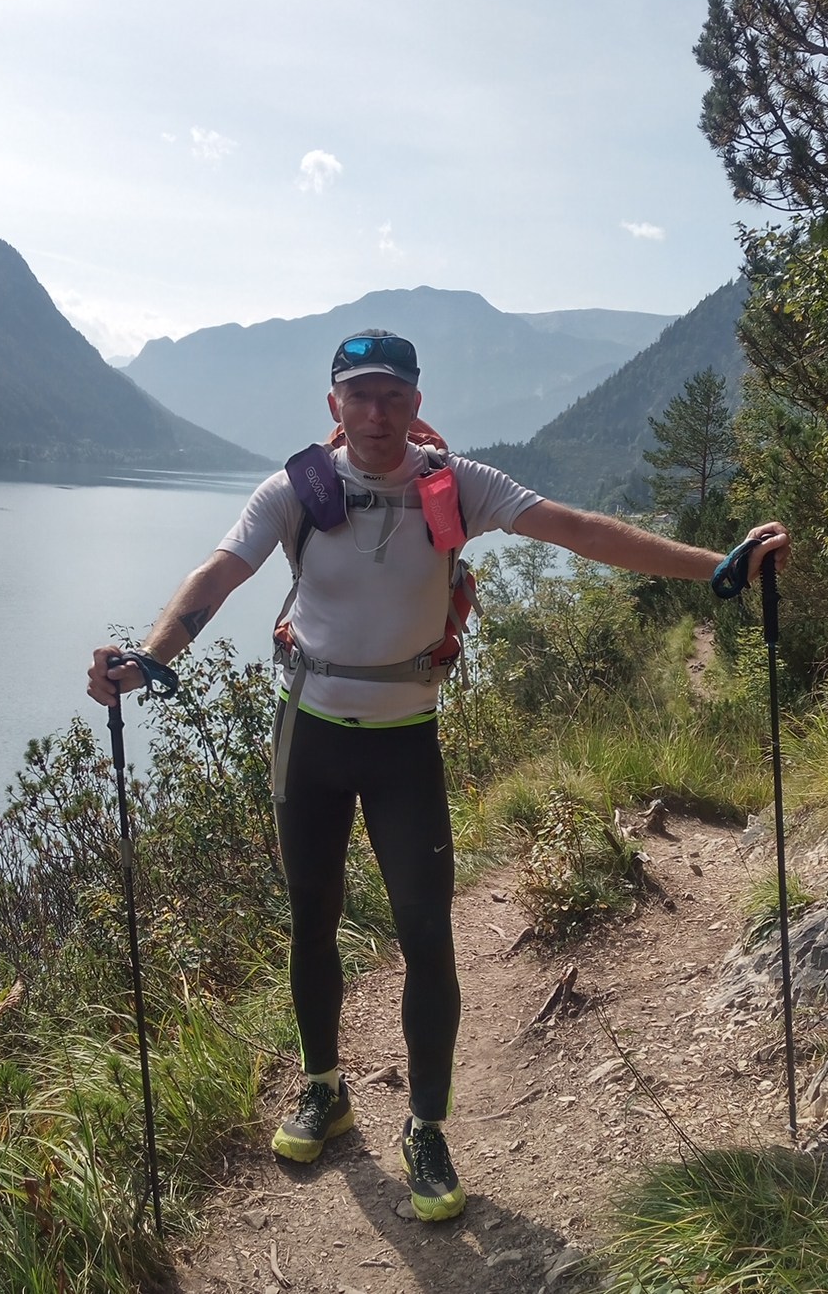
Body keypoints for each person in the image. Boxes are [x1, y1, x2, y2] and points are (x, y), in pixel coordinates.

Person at [87, 328, 789, 1223]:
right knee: (312, 918)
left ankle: (426, 1127)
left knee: (426, 936)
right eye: (360, 394)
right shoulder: (296, 490)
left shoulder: (457, 484)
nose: (377, 413)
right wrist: (150, 656)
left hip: (403, 744)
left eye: (393, 396)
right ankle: (324, 1087)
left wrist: (715, 567)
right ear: (335, 404)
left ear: (416, 403)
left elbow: (577, 530)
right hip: (310, 735)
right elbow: (219, 574)